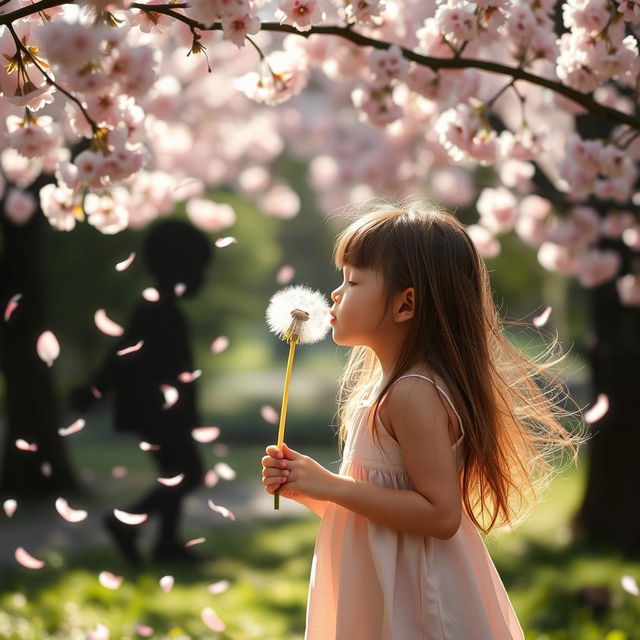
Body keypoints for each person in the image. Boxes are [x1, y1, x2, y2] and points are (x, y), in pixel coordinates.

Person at [261, 200, 582, 639]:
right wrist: (309, 489)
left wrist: (332, 485)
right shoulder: (385, 391)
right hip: (385, 590)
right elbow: (374, 514)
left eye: (353, 281)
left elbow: (439, 515)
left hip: (418, 604)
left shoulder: (414, 393)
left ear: (405, 304)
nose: (335, 293)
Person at [71, 220, 213, 566]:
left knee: (177, 470)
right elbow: (124, 354)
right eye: (198, 268)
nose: (202, 278)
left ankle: (166, 544)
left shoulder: (160, 307)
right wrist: (95, 389)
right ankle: (125, 524)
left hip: (165, 412)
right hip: (156, 411)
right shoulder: (154, 309)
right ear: (181, 267)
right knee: (188, 471)